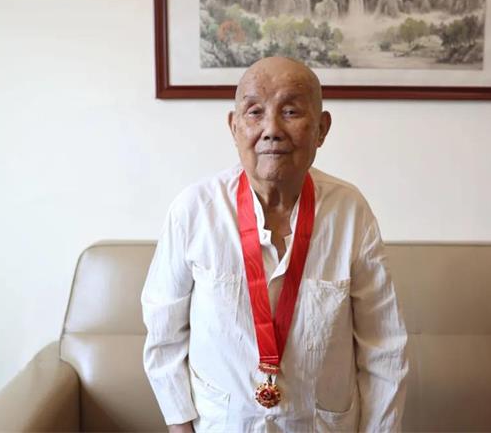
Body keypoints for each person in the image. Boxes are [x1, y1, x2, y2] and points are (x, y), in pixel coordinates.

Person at [141, 56, 408, 433]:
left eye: (290, 111)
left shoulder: (350, 210)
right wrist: (180, 425)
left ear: (321, 128)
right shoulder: (195, 209)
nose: (271, 130)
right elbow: (164, 334)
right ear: (234, 126)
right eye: (254, 112)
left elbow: (384, 346)